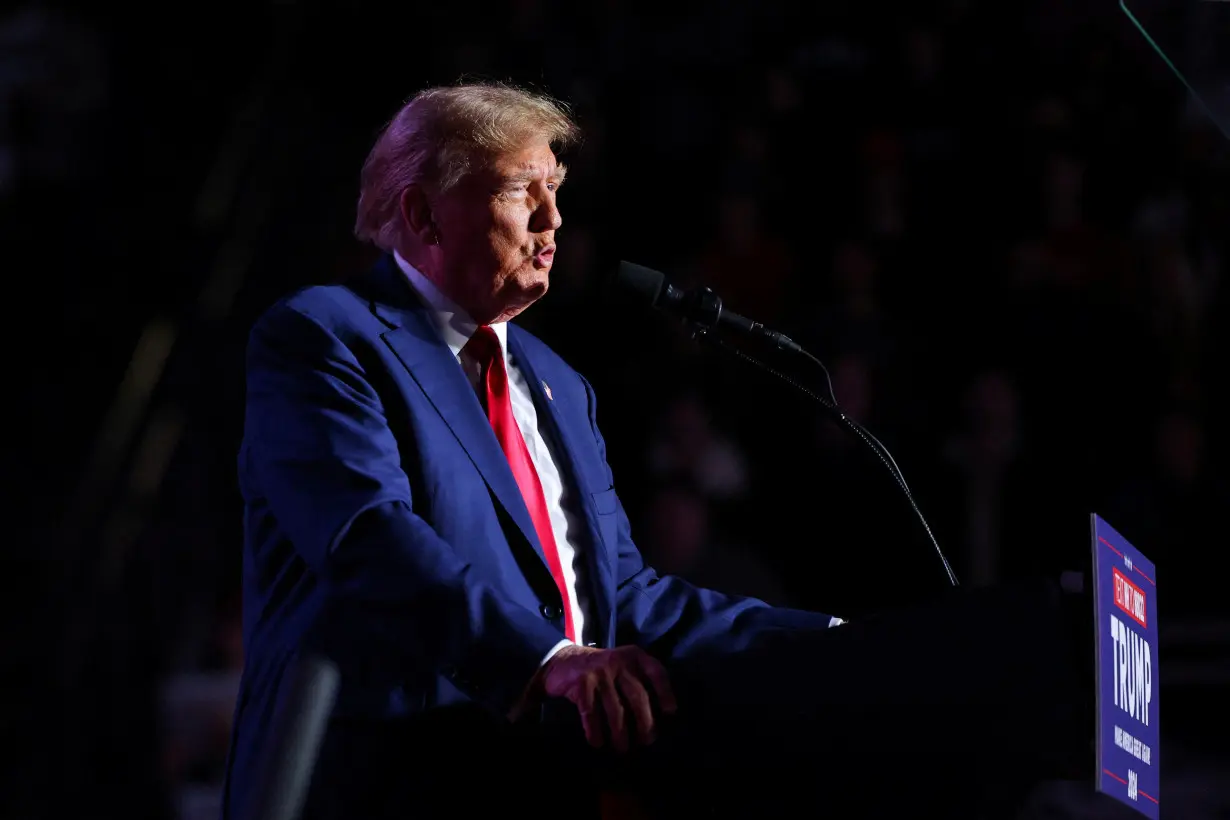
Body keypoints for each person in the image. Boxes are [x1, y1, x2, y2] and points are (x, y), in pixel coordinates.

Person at [223, 82, 1090, 820]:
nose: (555, 219)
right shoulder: (325, 338)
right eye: (524, 191)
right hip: (379, 781)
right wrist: (548, 662)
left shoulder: (559, 382)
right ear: (422, 212)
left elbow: (621, 599)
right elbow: (367, 539)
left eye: (558, 189)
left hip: (550, 785)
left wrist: (832, 646)